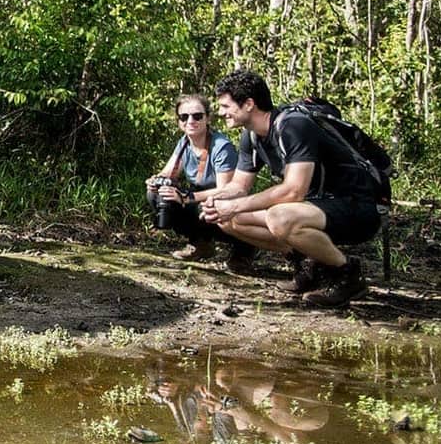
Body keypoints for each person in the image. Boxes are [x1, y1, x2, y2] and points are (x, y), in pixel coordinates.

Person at [201, 69, 382, 307]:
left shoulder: (293, 126)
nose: (221, 113)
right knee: (228, 219)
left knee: (281, 217)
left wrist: (234, 205)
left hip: (357, 207)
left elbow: (293, 191)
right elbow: (239, 186)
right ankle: (309, 266)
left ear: (248, 104)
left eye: (226, 106)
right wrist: (218, 202)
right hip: (317, 207)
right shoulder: (252, 136)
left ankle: (346, 275)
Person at [146, 95, 255, 269]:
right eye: (184, 117)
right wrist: (156, 181)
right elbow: (167, 173)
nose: (191, 121)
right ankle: (200, 243)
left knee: (203, 207)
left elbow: (226, 190)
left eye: (197, 116)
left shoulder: (221, 147)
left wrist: (186, 197)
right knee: (156, 194)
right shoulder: (184, 143)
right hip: (197, 198)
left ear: (207, 118)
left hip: (225, 202)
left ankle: (244, 249)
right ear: (179, 121)